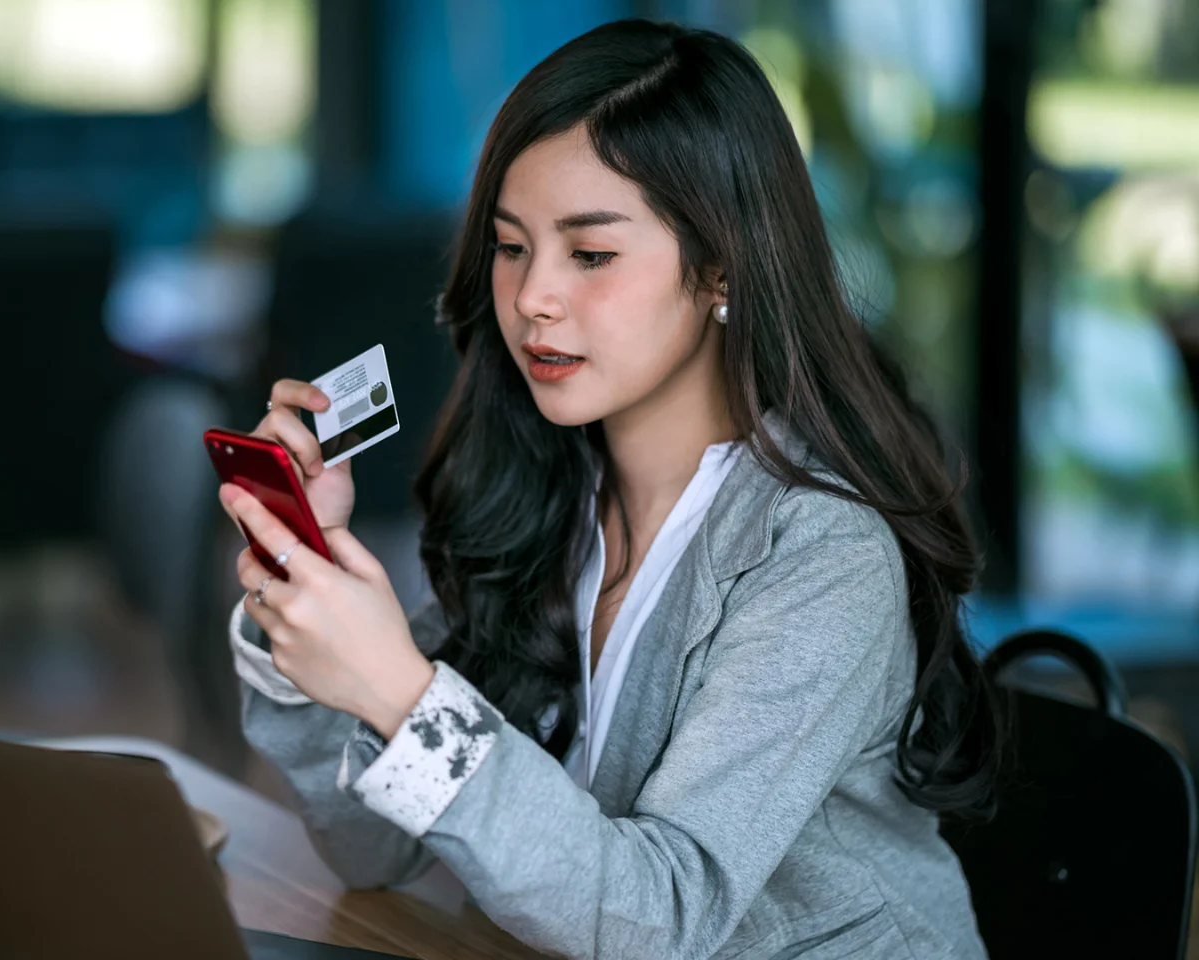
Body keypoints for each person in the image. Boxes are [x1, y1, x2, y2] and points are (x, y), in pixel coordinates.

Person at [215, 19, 999, 960]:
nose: (534, 295)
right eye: (510, 247)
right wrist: (297, 570)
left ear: (720, 267)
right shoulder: (551, 498)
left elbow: (663, 919)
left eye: (590, 255)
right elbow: (369, 847)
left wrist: (402, 691)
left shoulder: (825, 554)